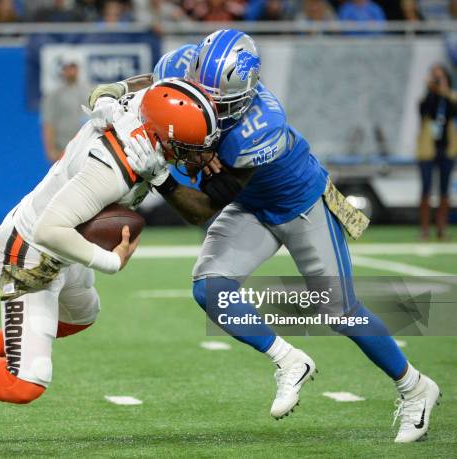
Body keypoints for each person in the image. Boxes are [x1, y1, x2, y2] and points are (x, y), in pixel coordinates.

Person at [90, 29, 441, 443]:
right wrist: (114, 91)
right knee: (210, 288)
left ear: (243, 92)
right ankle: (288, 359)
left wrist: (162, 175)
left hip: (300, 204)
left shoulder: (259, 128)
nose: (205, 104)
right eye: (199, 90)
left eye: (217, 100)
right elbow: (151, 83)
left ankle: (415, 386)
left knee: (340, 312)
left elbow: (202, 207)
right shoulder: (182, 64)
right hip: (253, 208)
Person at [0, 78, 221, 434]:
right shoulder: (113, 169)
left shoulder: (143, 110)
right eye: (187, 147)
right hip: (30, 253)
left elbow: (125, 88)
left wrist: (109, 96)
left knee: (81, 314)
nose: (196, 157)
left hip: (58, 248)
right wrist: (110, 261)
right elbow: (50, 230)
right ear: (160, 135)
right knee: (25, 383)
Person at [416, 64, 456, 241]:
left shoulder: (450, 97)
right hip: (427, 148)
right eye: (435, 77)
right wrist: (432, 90)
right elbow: (423, 111)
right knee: (426, 188)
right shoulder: (427, 97)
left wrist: (444, 91)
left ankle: (442, 229)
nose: (437, 81)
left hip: (446, 148)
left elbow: (453, 111)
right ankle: (425, 229)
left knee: (444, 190)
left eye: (440, 77)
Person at [40, 58, 90, 163]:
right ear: (63, 70)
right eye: (68, 68)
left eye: (73, 68)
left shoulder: (87, 92)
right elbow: (48, 124)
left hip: (84, 147)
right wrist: (50, 150)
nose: (71, 72)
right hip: (62, 148)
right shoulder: (54, 95)